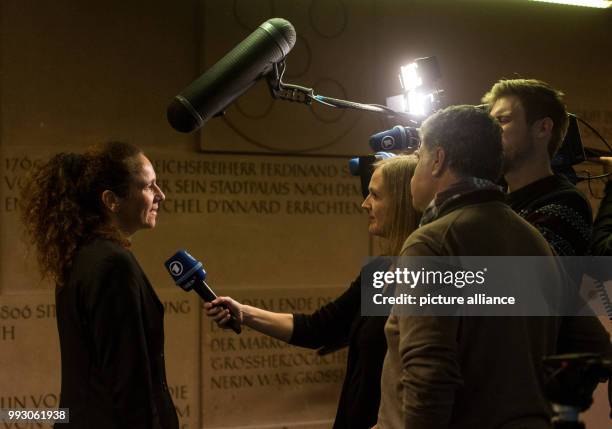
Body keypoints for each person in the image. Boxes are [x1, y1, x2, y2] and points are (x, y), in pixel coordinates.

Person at [376, 105, 567, 429]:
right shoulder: (535, 242)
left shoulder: (433, 243)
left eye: (420, 156)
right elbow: (588, 345)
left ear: (438, 160)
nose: (414, 170)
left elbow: (428, 375)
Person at [205, 155, 420, 429]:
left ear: (401, 203)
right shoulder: (378, 272)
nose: (364, 204)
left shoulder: (430, 277)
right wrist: (243, 313)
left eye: (375, 195)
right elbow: (319, 327)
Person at [20, 141, 179, 429]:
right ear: (111, 200)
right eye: (148, 186)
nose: (161, 195)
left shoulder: (83, 255)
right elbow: (128, 381)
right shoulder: (111, 264)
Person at [482, 79, 610, 357]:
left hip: (527, 372)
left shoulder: (565, 203)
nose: (491, 134)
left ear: (543, 128)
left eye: (502, 121)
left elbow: (519, 288)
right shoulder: (495, 198)